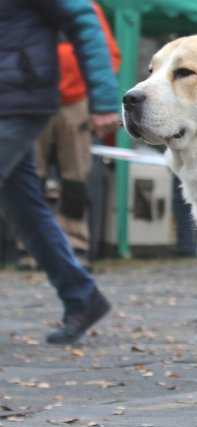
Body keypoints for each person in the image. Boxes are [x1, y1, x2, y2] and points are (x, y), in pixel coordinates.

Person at [0, 0, 118, 344]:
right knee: (25, 209)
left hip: (19, 98)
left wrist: (104, 100)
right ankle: (81, 295)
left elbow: (84, 21)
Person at [36, 1, 121, 262]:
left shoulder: (88, 8)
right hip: (36, 99)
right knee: (31, 177)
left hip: (75, 103)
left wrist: (96, 97)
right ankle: (30, 245)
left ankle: (76, 244)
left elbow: (107, 54)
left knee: (75, 178)